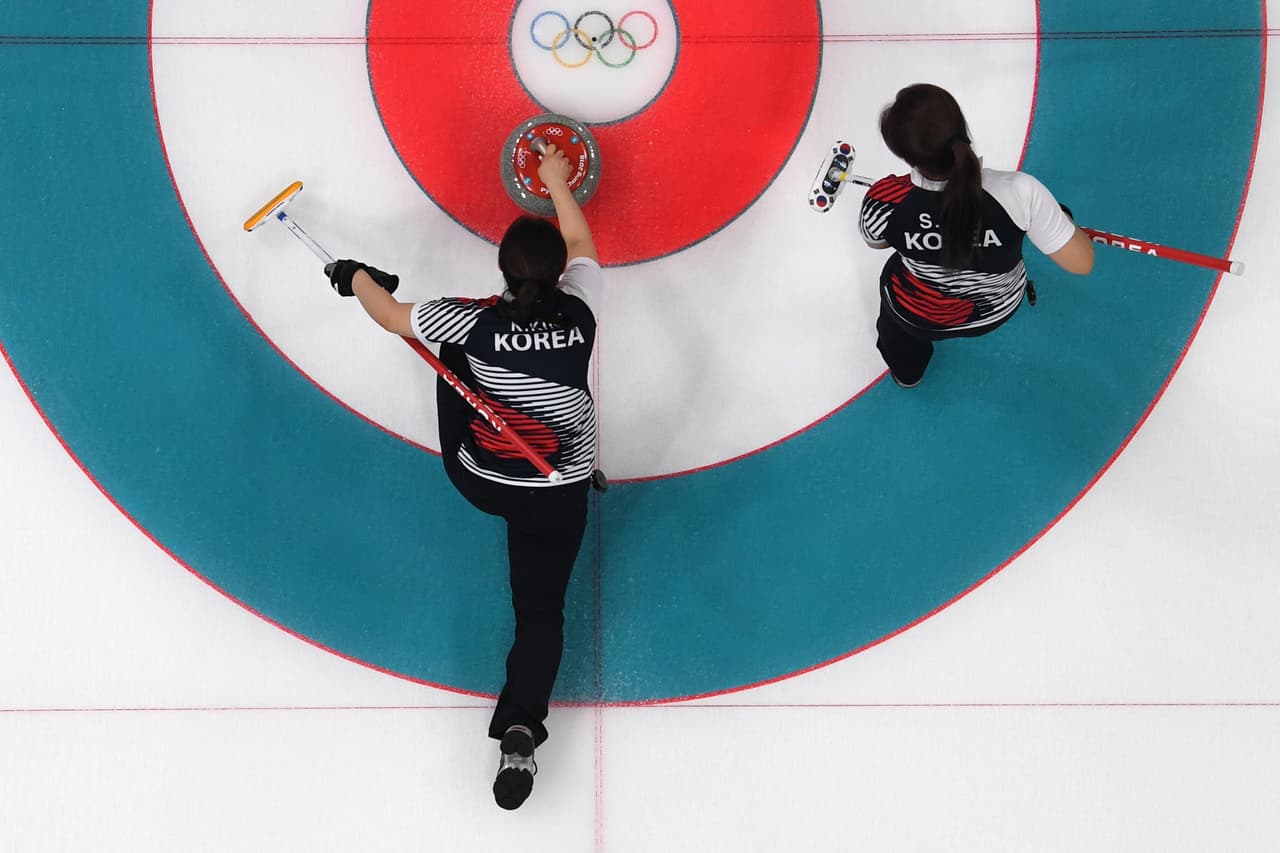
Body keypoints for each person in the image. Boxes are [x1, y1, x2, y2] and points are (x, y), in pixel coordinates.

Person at [324, 143, 602, 811]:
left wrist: (358, 275)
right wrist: (558, 181)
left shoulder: (468, 320)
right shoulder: (583, 310)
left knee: (448, 353)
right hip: (560, 488)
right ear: (562, 277)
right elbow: (580, 239)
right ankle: (520, 724)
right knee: (541, 613)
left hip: (483, 476)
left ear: (502, 273)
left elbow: (391, 317)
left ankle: (516, 725)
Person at [859, 83, 1095, 387]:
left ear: (905, 156)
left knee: (896, 329)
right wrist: (1057, 220)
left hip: (917, 314)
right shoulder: (1021, 193)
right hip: (994, 309)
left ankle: (907, 373)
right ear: (962, 128)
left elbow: (875, 241)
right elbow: (1082, 262)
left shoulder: (885, 199)